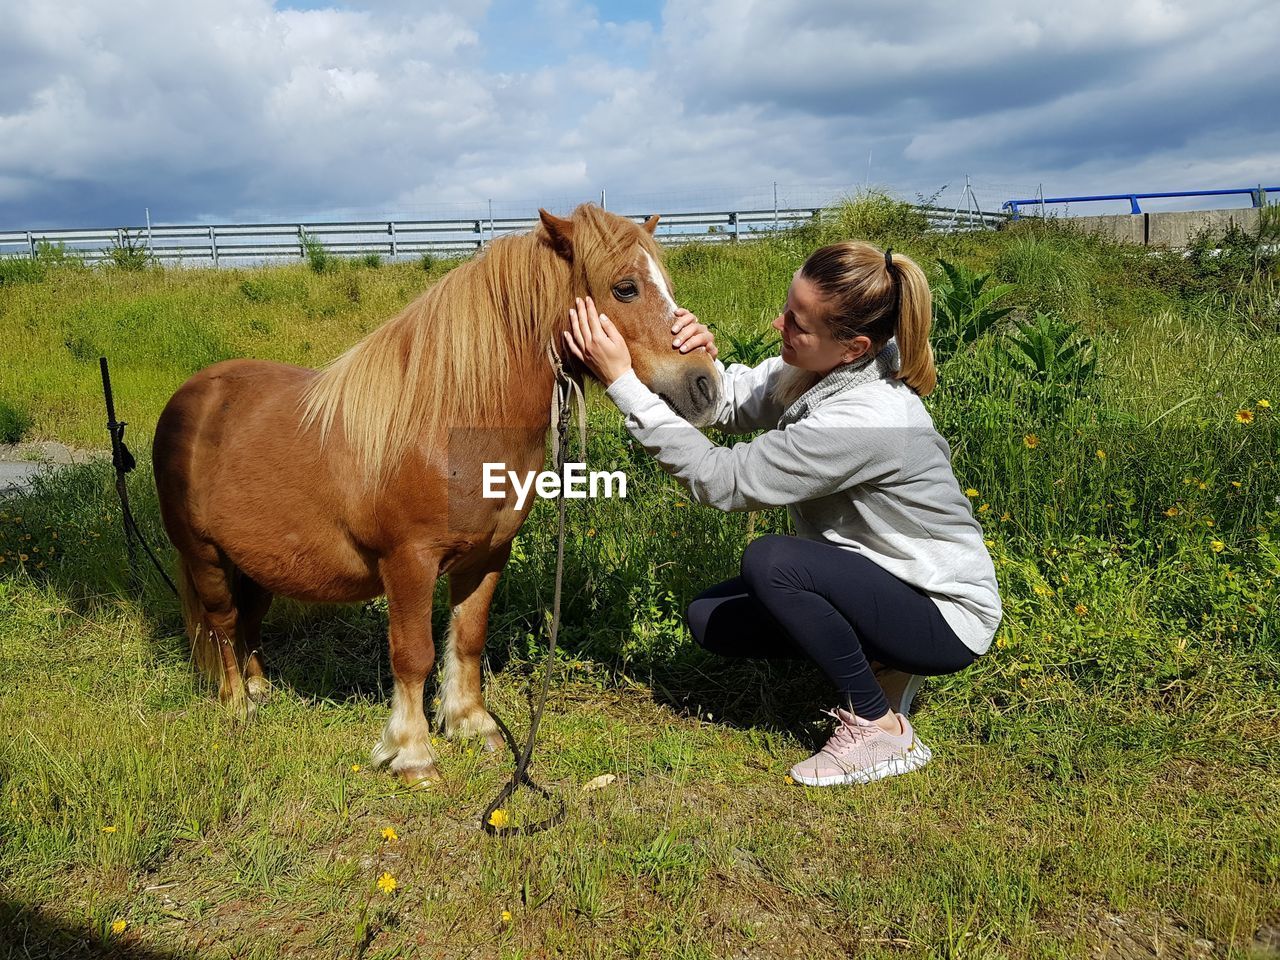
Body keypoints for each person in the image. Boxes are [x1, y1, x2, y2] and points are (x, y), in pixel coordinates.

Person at [562, 241, 1001, 786]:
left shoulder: (869, 416)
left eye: (798, 323)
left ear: (853, 346)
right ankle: (885, 660)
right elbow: (726, 404)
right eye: (787, 308)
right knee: (711, 619)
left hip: (945, 612)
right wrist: (693, 361)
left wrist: (622, 383)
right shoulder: (821, 368)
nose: (779, 324)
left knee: (773, 563)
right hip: (887, 580)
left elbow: (720, 480)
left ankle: (880, 729)